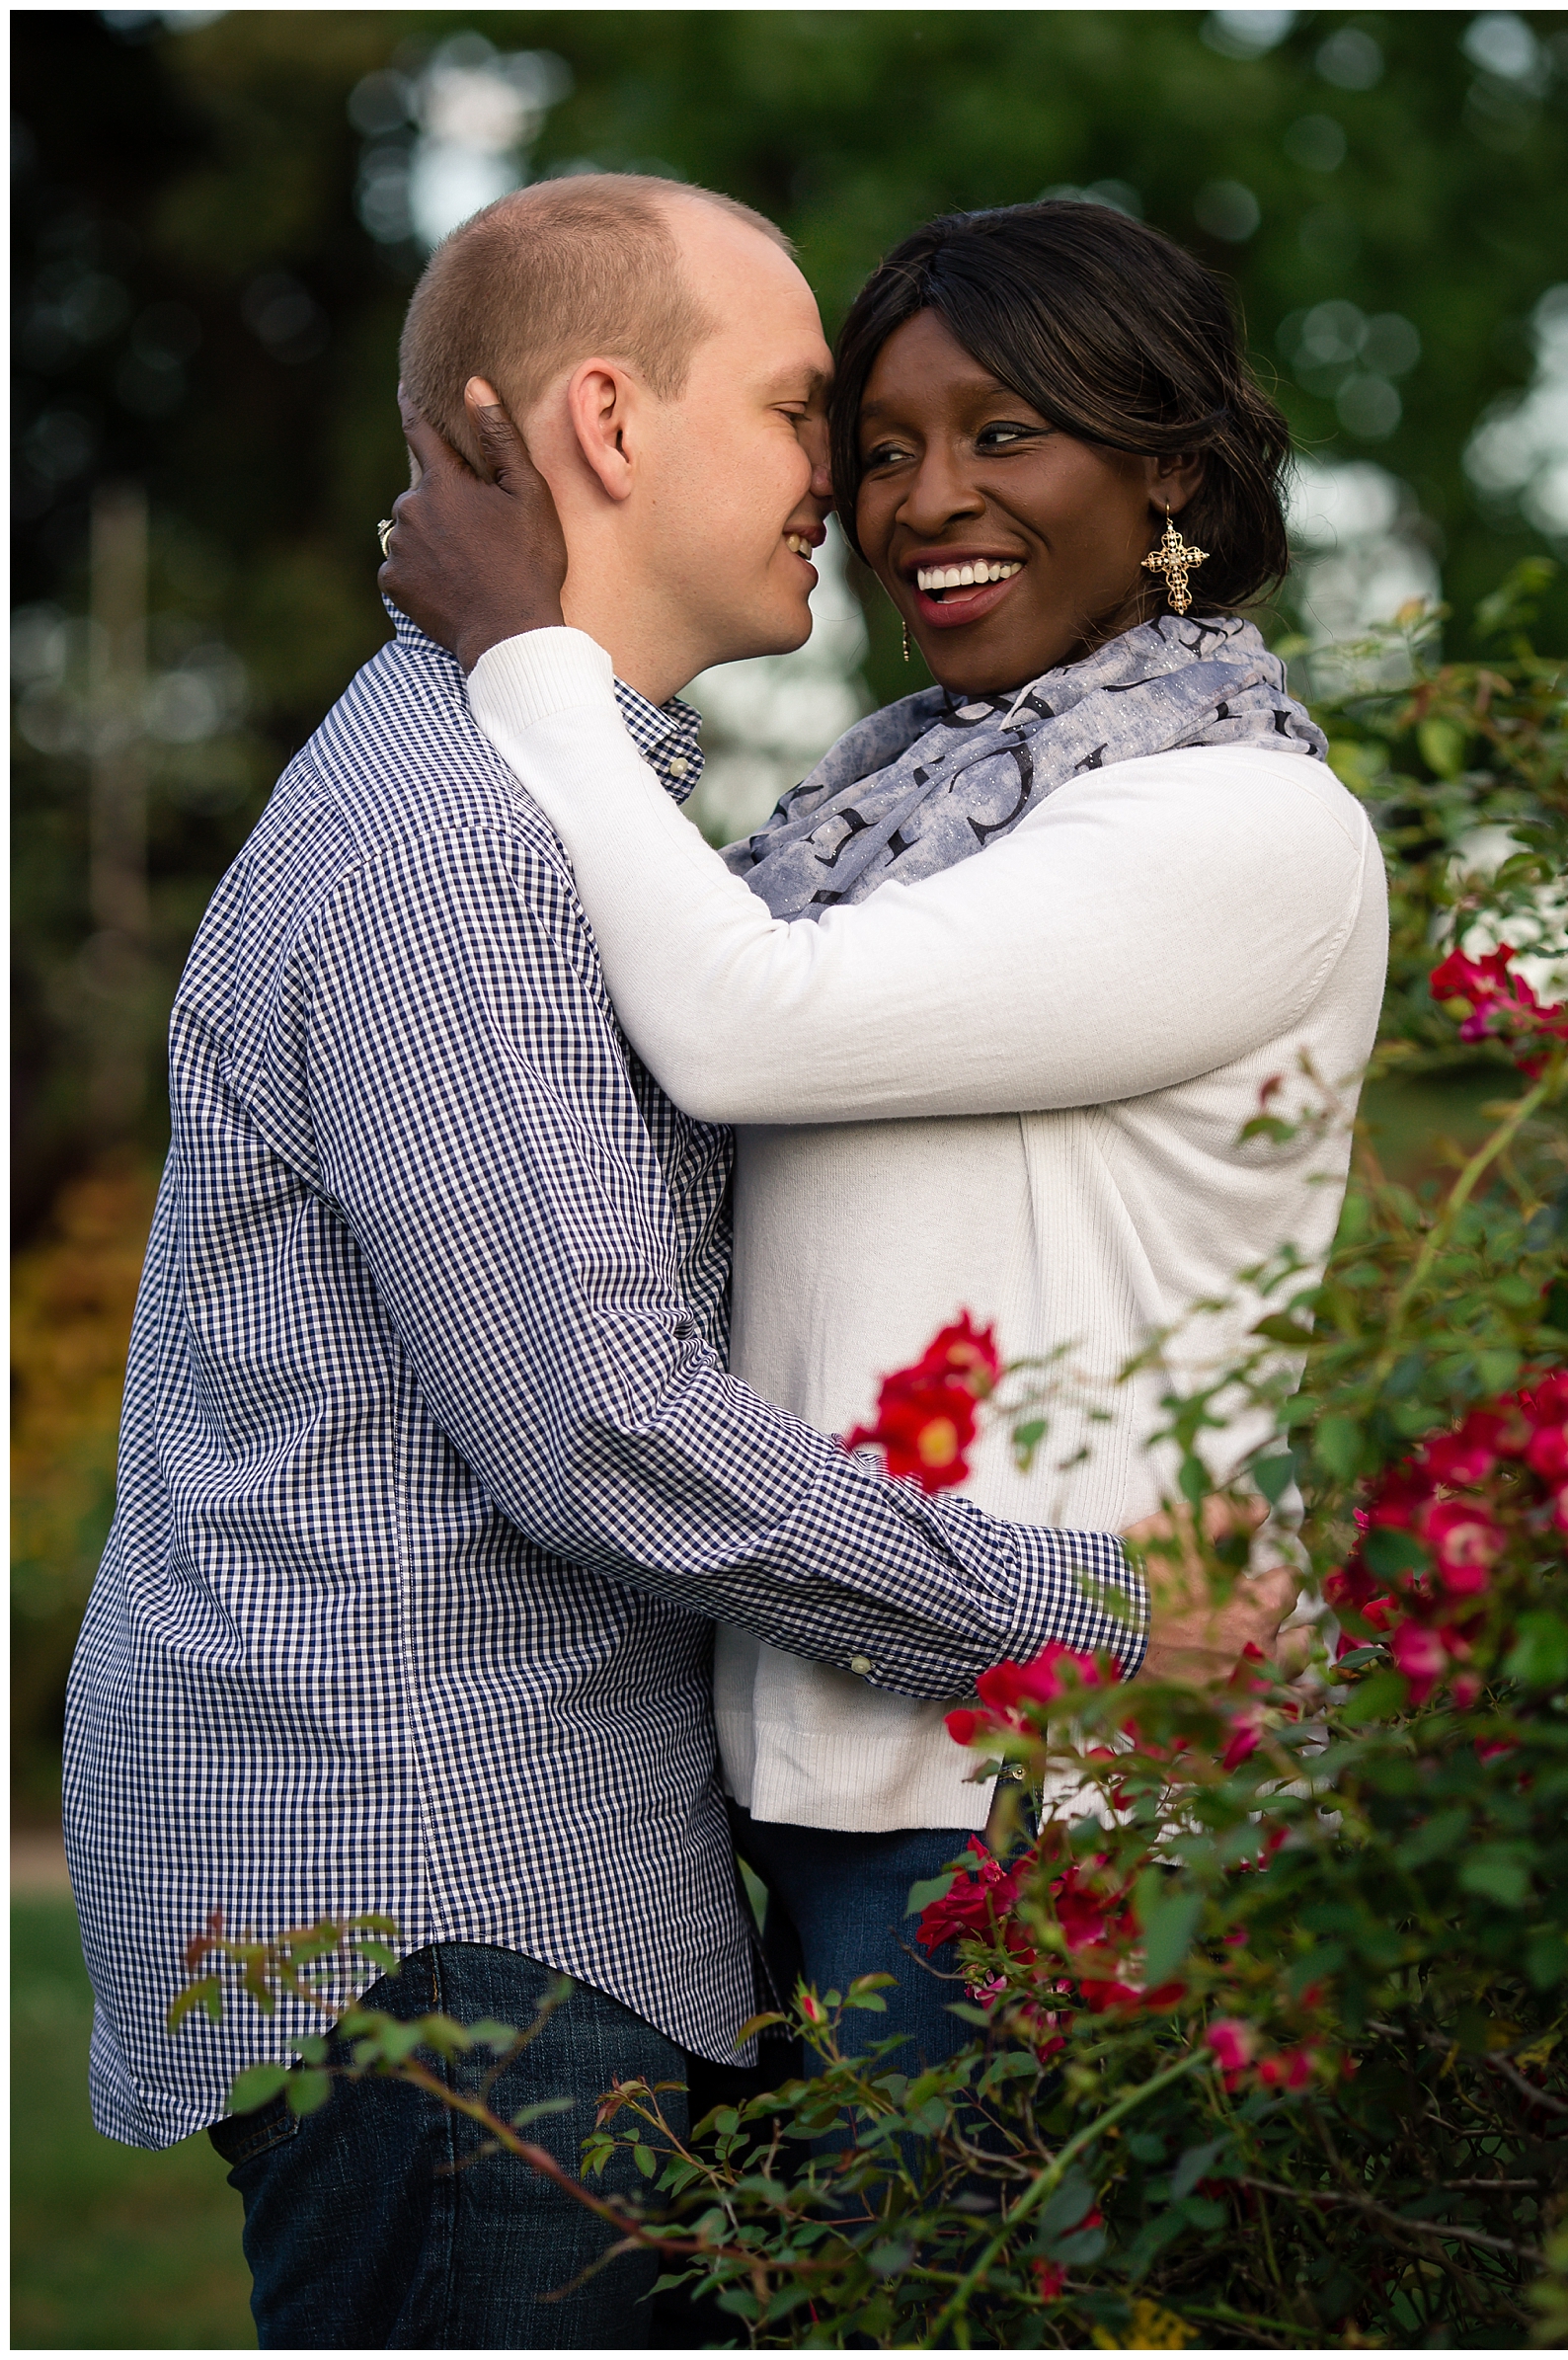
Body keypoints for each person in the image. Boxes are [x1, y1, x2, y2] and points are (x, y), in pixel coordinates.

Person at [61, 176, 1273, 2353]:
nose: (853, 483)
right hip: (442, 1901)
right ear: (606, 424)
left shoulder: (559, 819)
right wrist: (1098, 1618)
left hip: (511, 1885)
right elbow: (606, 1432)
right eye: (815, 413)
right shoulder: (455, 850)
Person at [379, 197, 1385, 2087]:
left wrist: (533, 652)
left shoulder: (1238, 821)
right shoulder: (905, 799)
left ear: (1166, 464)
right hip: (842, 1771)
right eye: (882, 446)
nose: (922, 501)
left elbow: (740, 1023)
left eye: (1006, 434)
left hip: (1064, 1789)